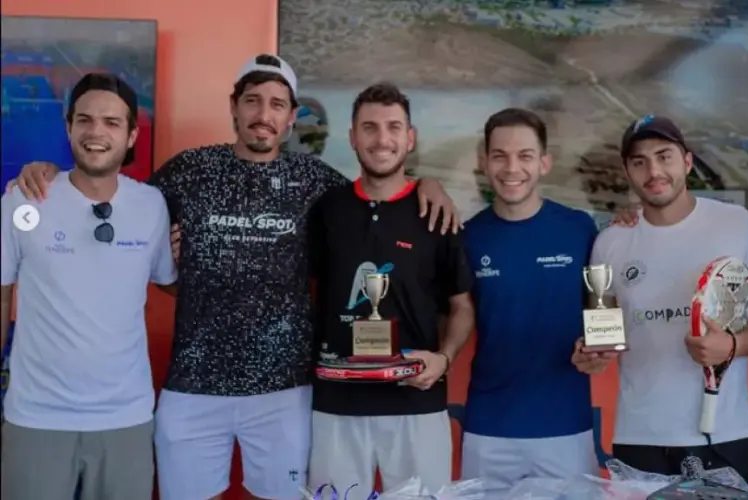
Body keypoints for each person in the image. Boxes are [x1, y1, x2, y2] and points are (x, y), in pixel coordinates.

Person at [7, 55, 459, 500]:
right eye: (253, 101)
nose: (264, 115)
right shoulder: (188, 171)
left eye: (277, 104)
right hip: (192, 387)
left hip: (284, 389)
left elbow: (376, 191)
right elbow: (111, 194)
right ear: (234, 106)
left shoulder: (316, 179)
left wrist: (426, 185)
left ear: (291, 117)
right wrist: (45, 173)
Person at [0, 73, 176, 500]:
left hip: (126, 419)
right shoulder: (24, 200)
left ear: (132, 134)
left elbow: (169, 283)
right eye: (85, 120)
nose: (97, 132)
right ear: (69, 127)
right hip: (36, 419)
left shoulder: (151, 205)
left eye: (112, 123)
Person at [573, 115, 748, 488]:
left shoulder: (736, 223)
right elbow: (604, 331)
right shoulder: (610, 242)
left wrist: (731, 346)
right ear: (626, 172)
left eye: (664, 156)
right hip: (640, 437)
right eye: (639, 161)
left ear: (687, 161)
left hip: (724, 433)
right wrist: (593, 354)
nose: (654, 170)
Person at [307, 83, 475, 498]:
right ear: (352, 137)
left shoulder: (436, 213)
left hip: (416, 401)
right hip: (337, 403)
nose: (382, 139)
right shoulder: (326, 210)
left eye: (393, 127)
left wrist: (444, 358)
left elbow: (462, 305)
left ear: (410, 137)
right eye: (370, 127)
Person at [458, 108, 604, 497]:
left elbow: (604, 310)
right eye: (499, 155)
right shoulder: (467, 237)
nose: (511, 168)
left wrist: (601, 350)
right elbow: (454, 315)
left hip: (566, 427)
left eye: (524, 156)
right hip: (488, 429)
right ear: (483, 162)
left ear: (544, 163)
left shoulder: (580, 229)